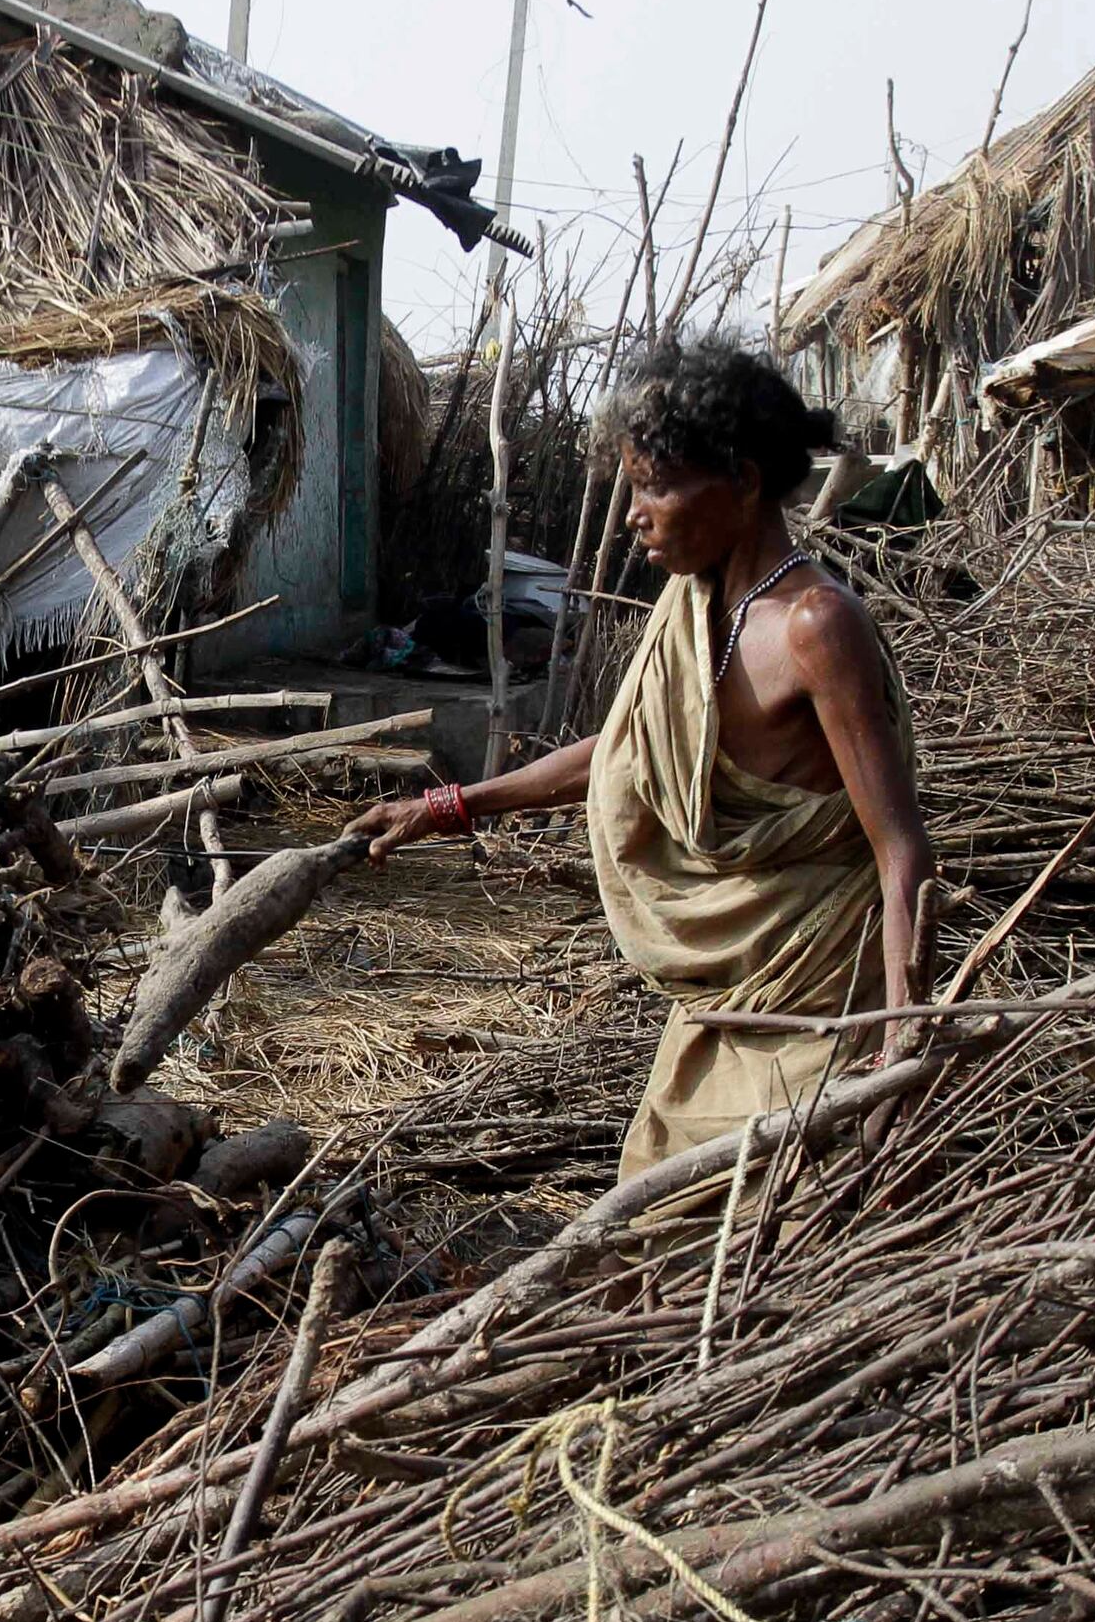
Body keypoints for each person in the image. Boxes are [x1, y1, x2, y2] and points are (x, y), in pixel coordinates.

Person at [359, 336, 932, 1182]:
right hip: (721, 1002)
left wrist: (899, 1049)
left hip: (817, 1002)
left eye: (655, 486)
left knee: (769, 1231)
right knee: (654, 1217)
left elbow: (902, 850)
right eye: (632, 486)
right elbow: (629, 751)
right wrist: (447, 808)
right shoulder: (694, 604)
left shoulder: (816, 627)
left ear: (740, 480)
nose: (634, 512)